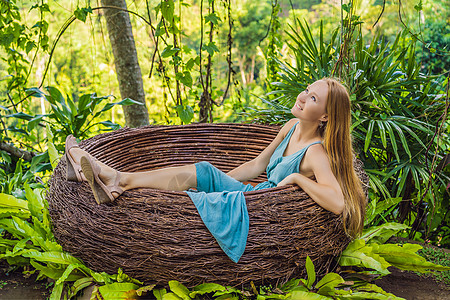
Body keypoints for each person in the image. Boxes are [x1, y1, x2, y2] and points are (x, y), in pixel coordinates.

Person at [64, 77, 366, 262]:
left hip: (262, 207)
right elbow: (258, 165)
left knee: (205, 174)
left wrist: (298, 177)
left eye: (313, 99)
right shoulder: (290, 127)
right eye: (307, 90)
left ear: (325, 116)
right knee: (207, 173)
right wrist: (219, 182)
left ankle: (115, 179)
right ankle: (116, 179)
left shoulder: (315, 153)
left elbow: (338, 202)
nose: (302, 97)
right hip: (253, 193)